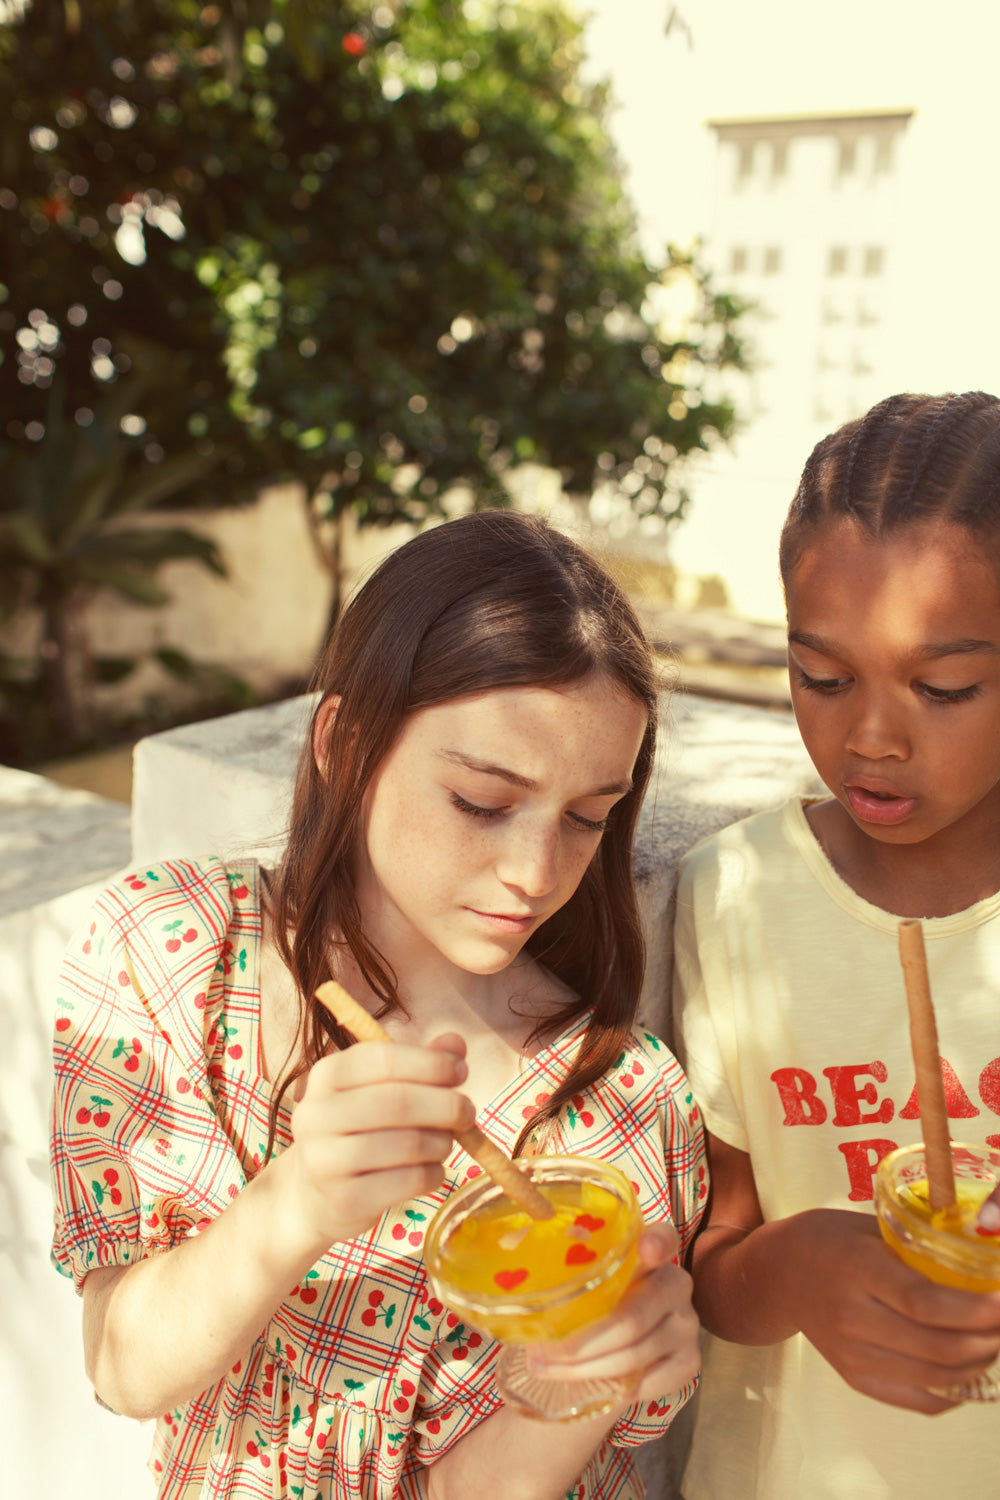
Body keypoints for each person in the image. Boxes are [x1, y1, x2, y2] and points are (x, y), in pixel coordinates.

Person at [50, 510, 705, 1500]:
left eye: (585, 819)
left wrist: (593, 1376)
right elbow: (125, 1370)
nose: (534, 872)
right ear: (344, 743)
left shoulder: (615, 1096)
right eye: (483, 802)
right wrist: (299, 1199)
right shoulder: (174, 951)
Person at [672, 391, 1000, 1500]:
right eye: (819, 676)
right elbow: (716, 1267)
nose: (868, 737)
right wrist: (802, 1267)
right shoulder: (736, 898)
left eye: (943, 687)